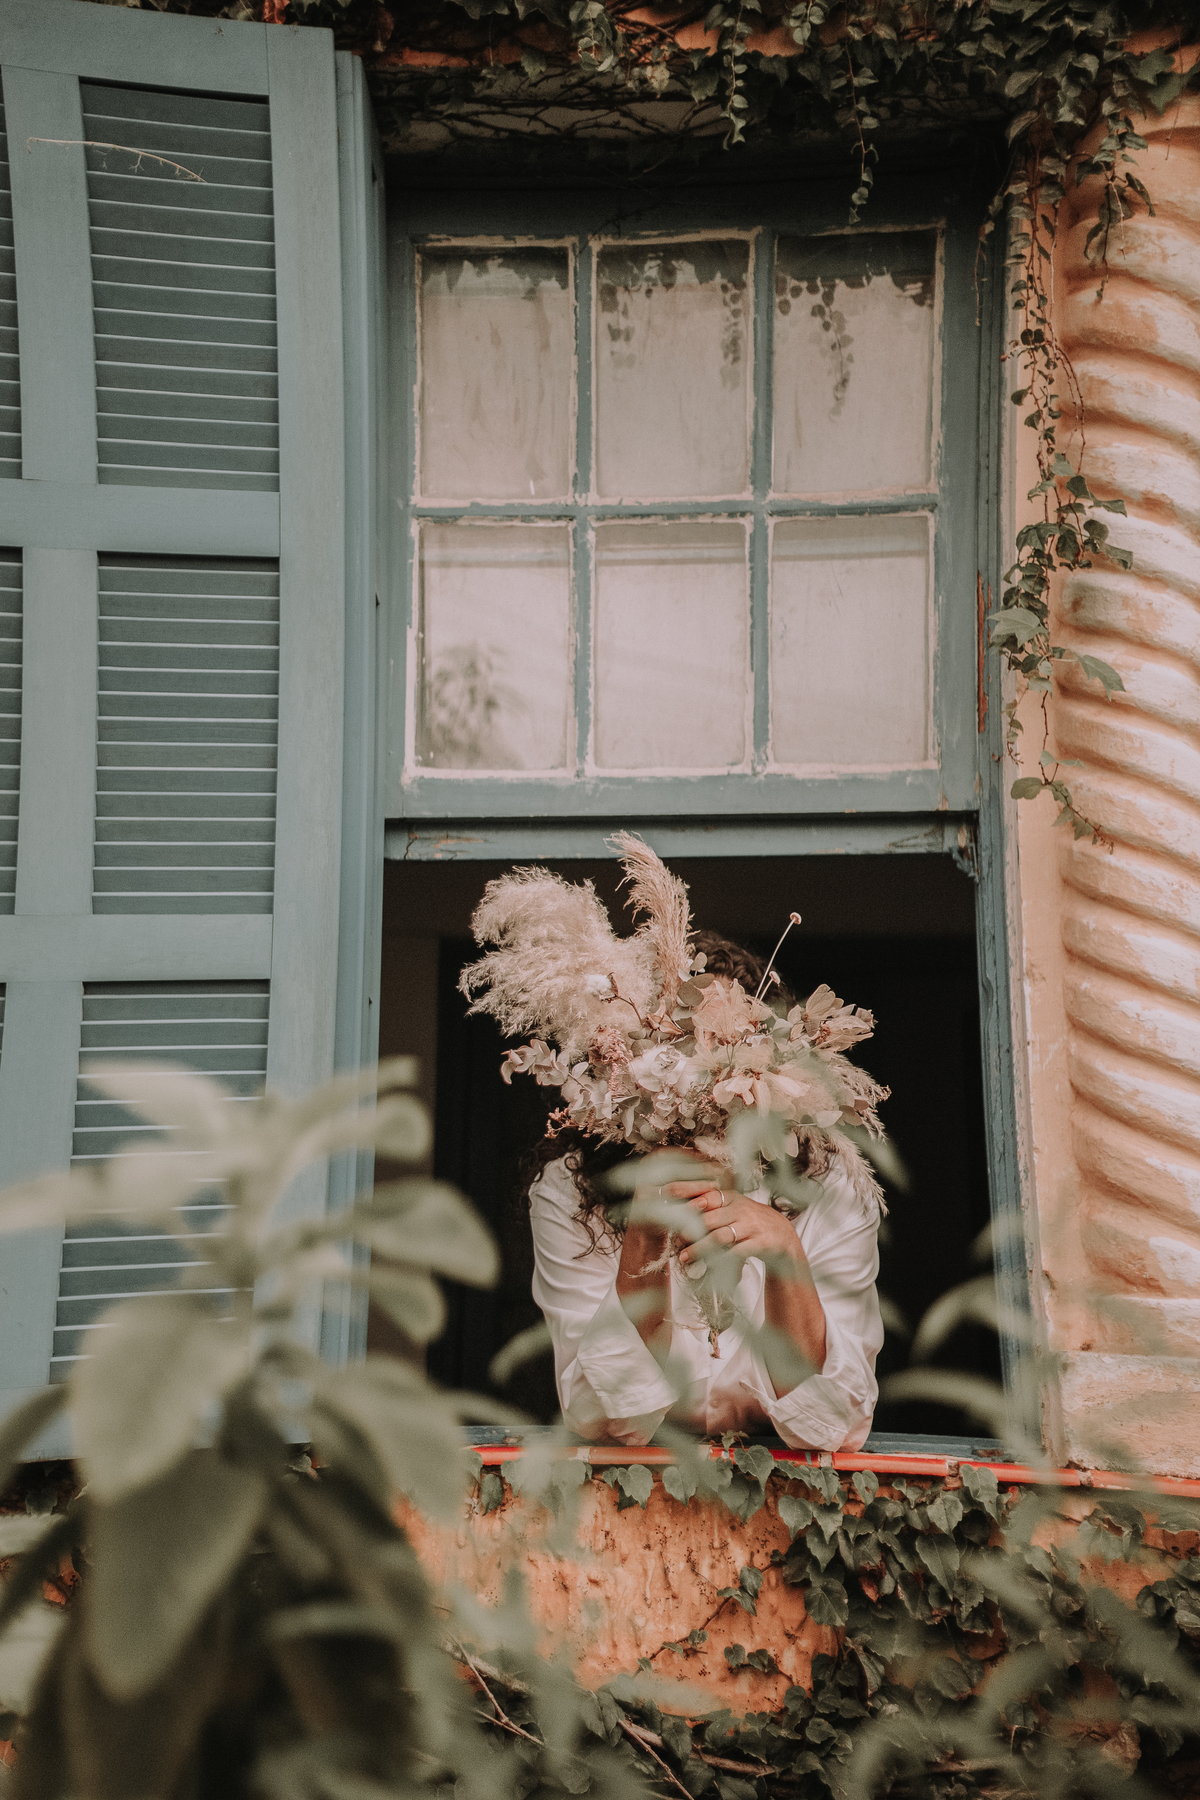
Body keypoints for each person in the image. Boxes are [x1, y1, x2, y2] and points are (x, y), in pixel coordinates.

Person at [524, 934, 885, 1450]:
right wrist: (644, 1237)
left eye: (725, 1048)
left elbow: (836, 1426)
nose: (702, 1072)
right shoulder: (568, 1190)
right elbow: (598, 1421)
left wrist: (784, 1251)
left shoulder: (834, 1183)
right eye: (677, 1045)